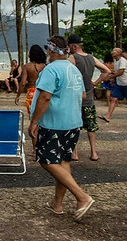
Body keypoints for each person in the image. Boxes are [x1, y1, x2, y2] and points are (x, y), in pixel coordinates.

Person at [29, 35, 94, 221]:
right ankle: (57, 203)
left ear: (50, 50)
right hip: (73, 122)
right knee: (64, 161)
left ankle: (82, 197)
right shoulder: (73, 70)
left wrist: (34, 122)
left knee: (46, 160)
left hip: (54, 124)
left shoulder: (51, 70)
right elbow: (82, 95)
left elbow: (45, 97)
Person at [67, 33, 110, 162]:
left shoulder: (72, 58)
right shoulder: (92, 58)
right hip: (89, 98)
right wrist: (95, 83)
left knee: (75, 126)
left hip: (76, 97)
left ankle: (74, 153)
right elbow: (107, 70)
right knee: (91, 126)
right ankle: (94, 152)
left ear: (73, 46)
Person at [15, 45, 47, 114]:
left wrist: (18, 96)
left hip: (31, 92)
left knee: (32, 116)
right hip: (42, 92)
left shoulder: (27, 67)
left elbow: (23, 83)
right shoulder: (44, 66)